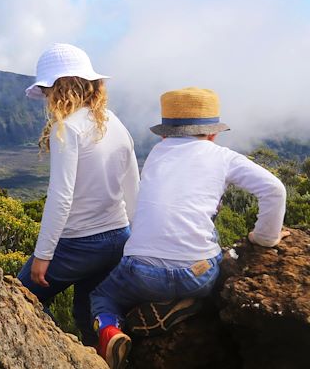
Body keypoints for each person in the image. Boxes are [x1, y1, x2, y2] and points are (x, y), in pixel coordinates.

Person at [89, 87, 288, 369]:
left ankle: (110, 329)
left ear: (163, 133)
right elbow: (275, 190)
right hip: (198, 274)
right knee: (210, 243)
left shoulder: (157, 153)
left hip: (141, 272)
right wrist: (265, 238)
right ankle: (189, 301)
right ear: (214, 132)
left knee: (103, 296)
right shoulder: (222, 156)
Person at [18, 43, 139, 346]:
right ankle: (101, 350)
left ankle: (52, 355)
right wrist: (136, 238)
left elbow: (61, 196)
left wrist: (44, 255)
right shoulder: (114, 121)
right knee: (88, 312)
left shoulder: (67, 129)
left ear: (58, 89)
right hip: (119, 236)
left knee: (17, 298)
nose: (45, 98)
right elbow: (132, 185)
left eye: (47, 90)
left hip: (79, 244)